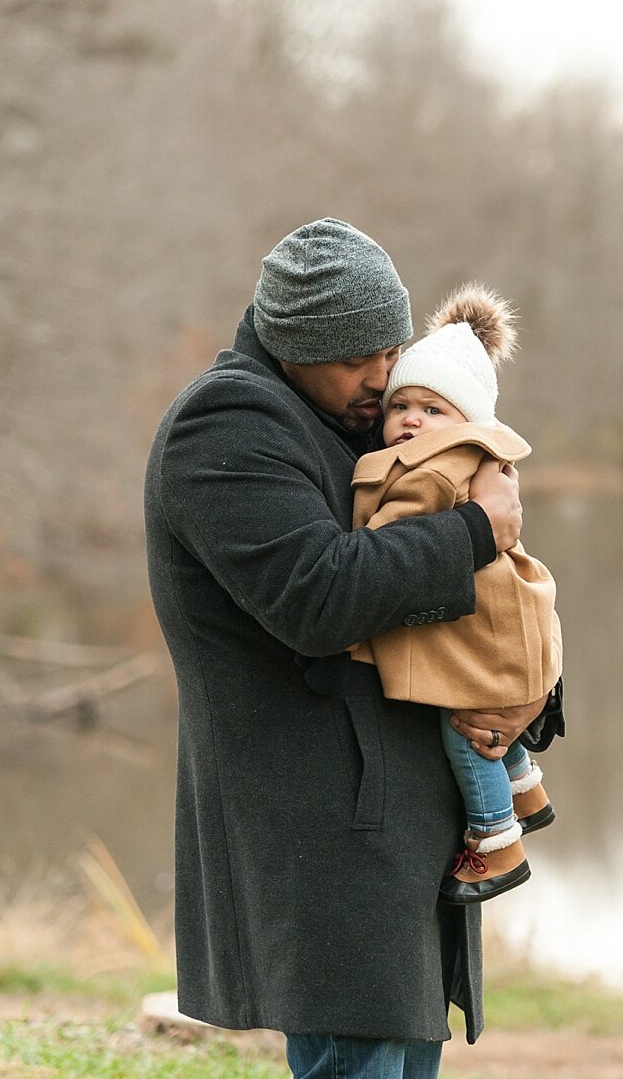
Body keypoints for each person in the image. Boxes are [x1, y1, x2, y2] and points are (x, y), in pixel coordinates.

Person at [143, 217, 563, 1079]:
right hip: (322, 839)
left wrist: (530, 693)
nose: (384, 376)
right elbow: (320, 596)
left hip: (392, 834)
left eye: (391, 348)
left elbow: (468, 596)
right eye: (359, 359)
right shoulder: (225, 428)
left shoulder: (363, 423)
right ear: (295, 347)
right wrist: (479, 527)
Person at [347, 283, 562, 904]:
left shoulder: (431, 471)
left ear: (467, 422)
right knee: (486, 724)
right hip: (490, 626)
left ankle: (496, 844)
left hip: (470, 631)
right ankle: (528, 791)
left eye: (434, 410)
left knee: (462, 729)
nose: (412, 420)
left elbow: (387, 547)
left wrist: (355, 537)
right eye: (401, 406)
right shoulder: (474, 464)